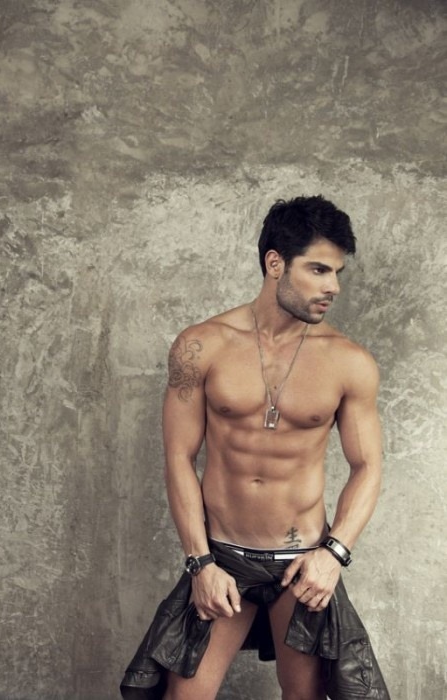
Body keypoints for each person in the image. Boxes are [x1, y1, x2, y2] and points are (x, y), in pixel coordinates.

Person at [120, 195, 390, 700]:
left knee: (305, 695)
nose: (333, 287)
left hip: (301, 560)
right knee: (185, 696)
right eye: (318, 269)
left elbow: (368, 465)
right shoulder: (201, 346)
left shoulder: (349, 362)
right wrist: (200, 563)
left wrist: (334, 554)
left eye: (337, 273)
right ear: (275, 263)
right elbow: (178, 458)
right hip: (222, 555)